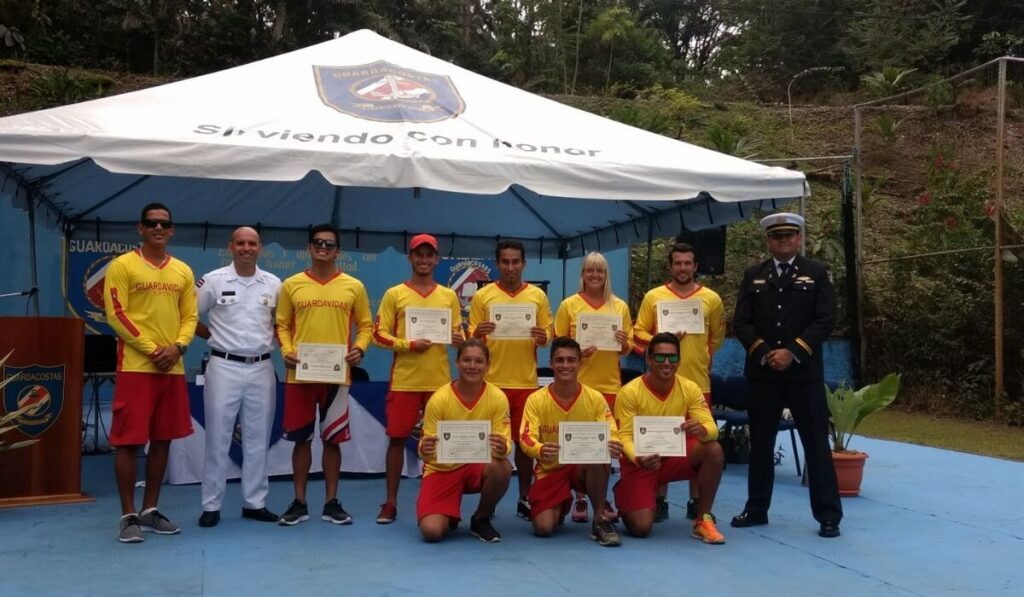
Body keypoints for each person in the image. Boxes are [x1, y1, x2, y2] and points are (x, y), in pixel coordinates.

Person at [730, 212, 843, 538]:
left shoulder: (817, 273)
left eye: (789, 236)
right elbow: (742, 322)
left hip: (803, 373)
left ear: (798, 239)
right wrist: (766, 352)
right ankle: (756, 508)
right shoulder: (754, 275)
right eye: (777, 237)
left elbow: (825, 319)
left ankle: (828, 515)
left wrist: (792, 351)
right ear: (768, 241)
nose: (783, 241)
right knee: (761, 443)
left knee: (815, 444)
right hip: (764, 373)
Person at [104, 202, 197, 543]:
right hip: (136, 367)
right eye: (151, 223)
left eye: (164, 224)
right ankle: (128, 516)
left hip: (172, 367)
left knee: (162, 440)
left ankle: (150, 509)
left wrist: (178, 347)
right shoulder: (123, 265)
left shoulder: (183, 271)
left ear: (172, 230)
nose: (158, 228)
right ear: (139, 228)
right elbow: (116, 313)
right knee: (128, 442)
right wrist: (151, 348)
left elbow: (190, 316)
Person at [275, 223, 373, 526]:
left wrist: (359, 349)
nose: (323, 248)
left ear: (338, 251)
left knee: (333, 440)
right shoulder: (291, 284)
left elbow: (366, 325)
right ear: (309, 248)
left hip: (337, 375)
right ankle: (299, 502)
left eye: (329, 244)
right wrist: (286, 351)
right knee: (300, 440)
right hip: (300, 375)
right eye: (318, 243)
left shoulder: (353, 286)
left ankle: (331, 502)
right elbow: (282, 325)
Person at [372, 233, 463, 524]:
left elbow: (458, 337)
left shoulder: (448, 296)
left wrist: (458, 339)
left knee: (443, 444)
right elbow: (378, 335)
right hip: (405, 382)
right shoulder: (394, 294)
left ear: (436, 259)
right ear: (410, 257)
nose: (424, 260)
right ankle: (390, 502)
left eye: (429, 255)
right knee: (397, 441)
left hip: (439, 383)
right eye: (418, 254)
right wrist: (408, 344)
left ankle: (442, 502)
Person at [194, 226, 281, 528]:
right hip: (224, 365)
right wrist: (212, 335)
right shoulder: (213, 281)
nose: (247, 248)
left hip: (261, 366)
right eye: (241, 243)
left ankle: (255, 502)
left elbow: (280, 325)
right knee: (217, 436)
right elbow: (189, 317)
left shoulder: (274, 283)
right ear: (230, 246)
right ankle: (211, 505)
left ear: (261, 248)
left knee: (258, 438)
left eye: (252, 243)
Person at [633, 242, 725, 522]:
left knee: (697, 442)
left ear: (696, 267)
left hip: (698, 385)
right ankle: (659, 499)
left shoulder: (711, 299)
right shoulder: (654, 297)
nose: (682, 268)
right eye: (678, 263)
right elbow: (637, 335)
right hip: (659, 387)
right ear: (670, 266)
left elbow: (717, 337)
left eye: (688, 263)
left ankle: (696, 501)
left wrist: (700, 359)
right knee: (660, 439)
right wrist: (664, 340)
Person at [467, 240, 553, 519]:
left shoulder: (537, 296)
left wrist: (544, 337)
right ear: (497, 264)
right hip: (491, 385)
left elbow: (548, 332)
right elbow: (471, 338)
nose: (511, 267)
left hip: (526, 383)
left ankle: (524, 498)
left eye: (516, 262)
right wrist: (478, 331)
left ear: (524, 264)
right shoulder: (484, 296)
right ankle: (487, 501)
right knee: (488, 445)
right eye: (505, 261)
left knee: (525, 446)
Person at [613, 332, 725, 544]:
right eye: (660, 357)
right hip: (641, 464)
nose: (666, 362)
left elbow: (712, 428)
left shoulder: (690, 388)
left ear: (679, 361)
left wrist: (703, 430)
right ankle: (626, 494)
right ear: (648, 359)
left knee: (713, 449)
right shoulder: (629, 392)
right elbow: (624, 437)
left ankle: (703, 519)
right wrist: (639, 457)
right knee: (641, 528)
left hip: (673, 458)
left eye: (672, 358)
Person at [519, 337, 623, 546]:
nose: (565, 366)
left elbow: (611, 430)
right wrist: (539, 449)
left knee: (598, 455)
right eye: (560, 360)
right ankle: (562, 501)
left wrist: (613, 443)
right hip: (550, 470)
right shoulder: (536, 399)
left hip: (581, 467)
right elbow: (525, 437)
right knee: (544, 528)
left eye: (571, 360)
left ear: (579, 363)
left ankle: (599, 519)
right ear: (551, 364)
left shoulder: (594, 398)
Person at [552, 252, 632, 523]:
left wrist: (623, 344)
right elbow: (559, 343)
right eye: (589, 270)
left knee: (602, 445)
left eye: (600, 271)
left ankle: (600, 495)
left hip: (609, 385)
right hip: (578, 385)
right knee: (578, 441)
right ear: (582, 274)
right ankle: (580, 498)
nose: (595, 275)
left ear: (606, 275)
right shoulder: (569, 305)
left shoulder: (619, 306)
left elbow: (628, 346)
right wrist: (578, 353)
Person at [416, 339, 513, 543]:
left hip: (475, 467)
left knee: (502, 467)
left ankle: (481, 518)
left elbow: (504, 442)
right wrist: (423, 449)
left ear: (488, 365)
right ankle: (447, 514)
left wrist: (503, 447)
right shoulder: (439, 399)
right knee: (432, 532)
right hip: (442, 470)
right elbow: (427, 449)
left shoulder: (497, 397)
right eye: (467, 360)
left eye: (479, 361)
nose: (472, 366)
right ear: (457, 363)